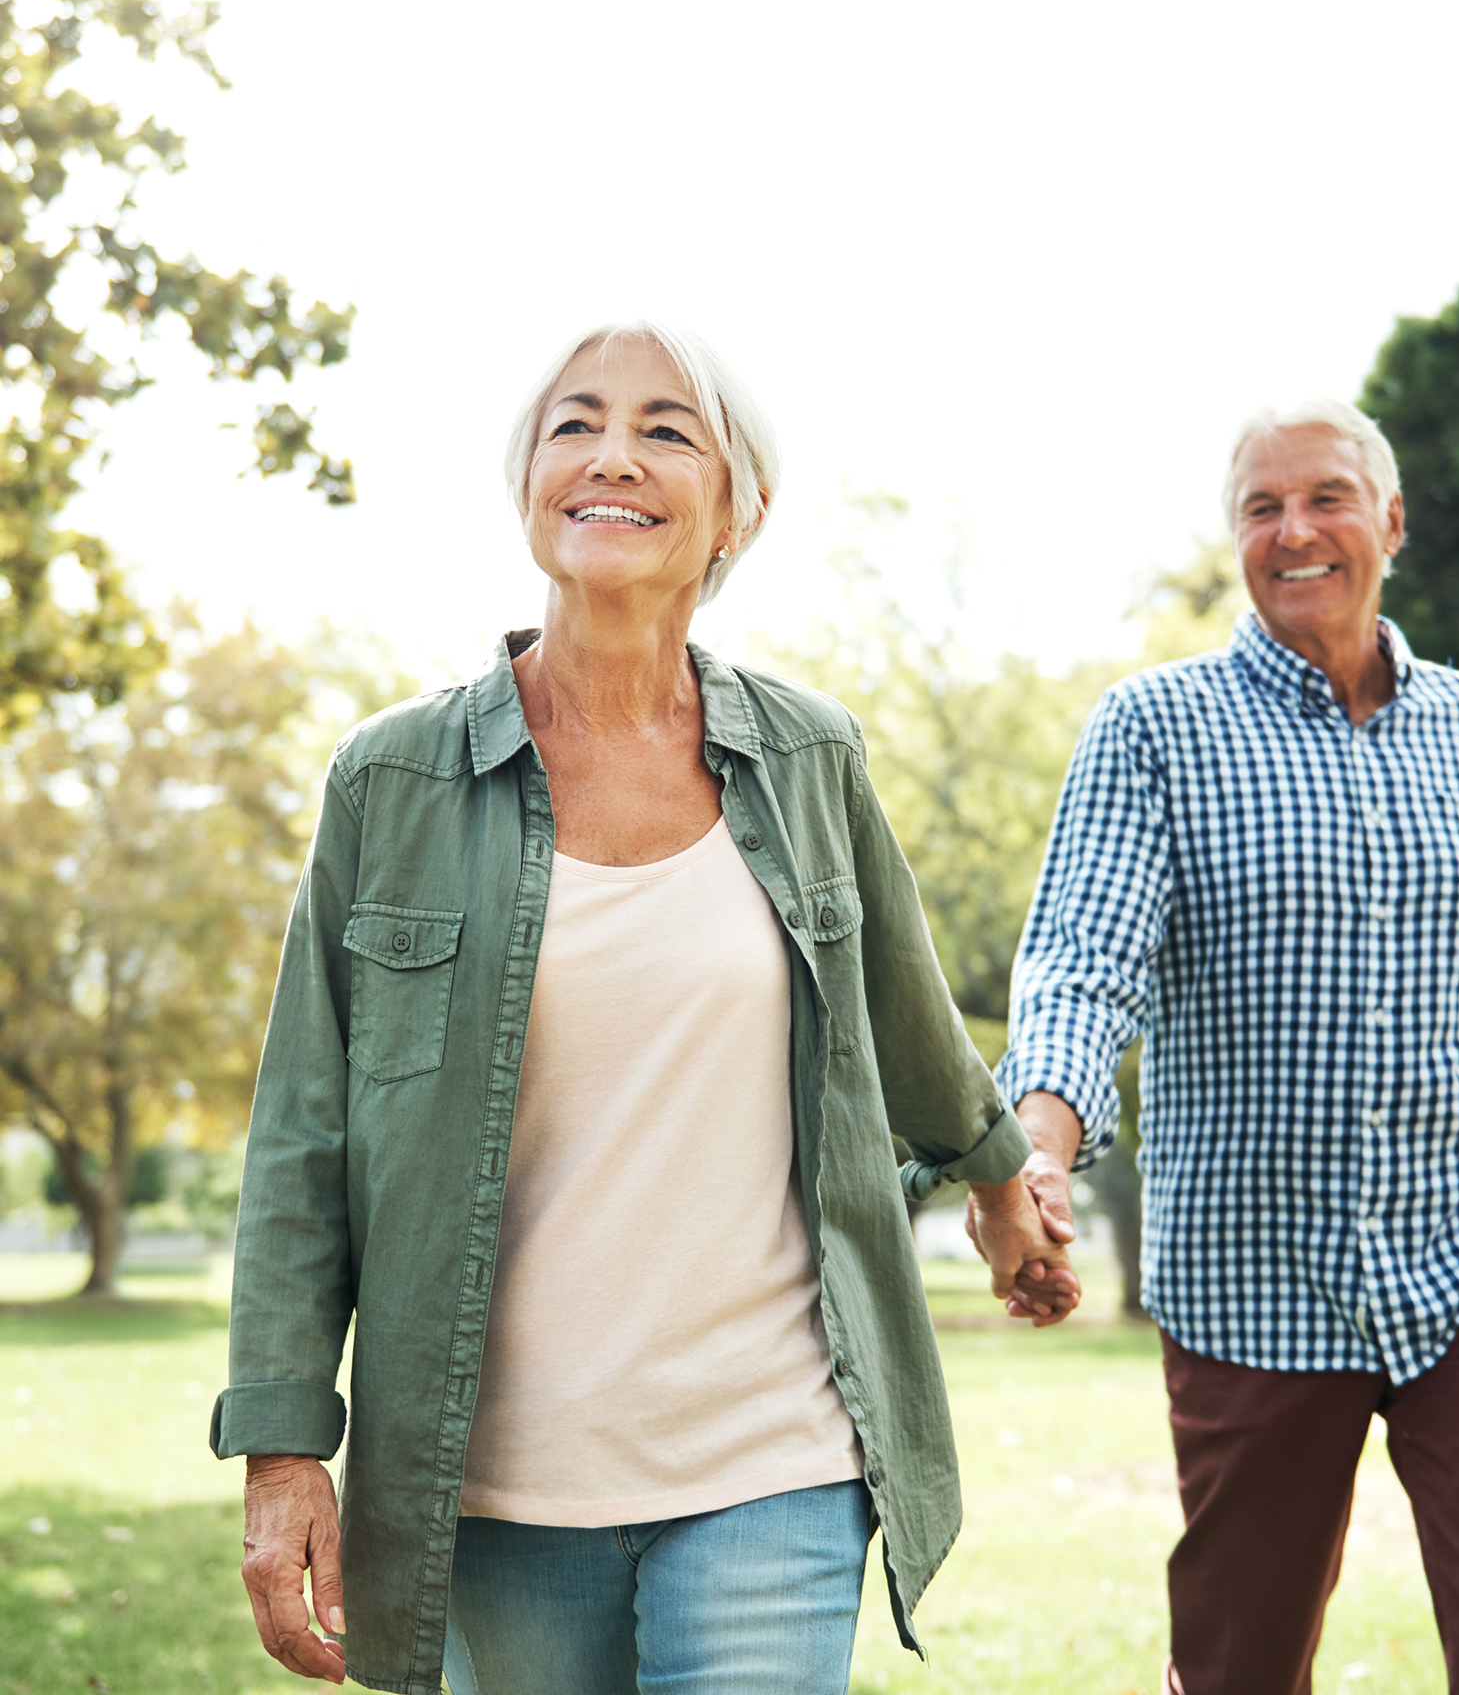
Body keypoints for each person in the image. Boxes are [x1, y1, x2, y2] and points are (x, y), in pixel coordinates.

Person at [211, 320, 1075, 1694]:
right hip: (490, 1486)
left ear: (740, 508)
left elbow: (906, 1019)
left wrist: (998, 1181)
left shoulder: (810, 758)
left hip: (772, 1455)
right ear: (529, 485)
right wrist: (280, 1449)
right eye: (577, 423)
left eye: (667, 428)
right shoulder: (392, 781)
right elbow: (304, 1141)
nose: (613, 454)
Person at [990, 397, 1459, 1695]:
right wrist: (1036, 1149)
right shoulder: (1154, 729)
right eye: (1260, 508)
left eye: (1325, 497)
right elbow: (1083, 972)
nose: (1294, 530)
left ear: (1391, 520)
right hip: (1257, 1265)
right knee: (1240, 1664)